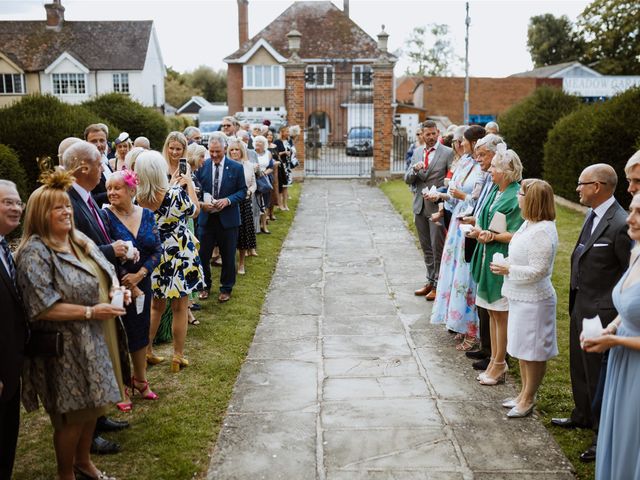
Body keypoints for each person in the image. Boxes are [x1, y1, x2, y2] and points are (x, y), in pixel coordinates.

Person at [15, 168, 128, 480]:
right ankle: (66, 473)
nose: (66, 211)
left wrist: (118, 291)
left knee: (95, 406)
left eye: (67, 205)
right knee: (71, 416)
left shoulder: (77, 239)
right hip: (62, 348)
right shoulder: (34, 252)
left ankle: (84, 462)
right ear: (40, 214)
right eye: (57, 208)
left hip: (94, 338)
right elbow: (42, 308)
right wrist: (92, 313)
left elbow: (106, 269)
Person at [551, 164, 631, 461]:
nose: (577, 189)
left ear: (597, 186)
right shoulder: (592, 215)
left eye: (581, 184)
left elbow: (628, 272)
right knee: (580, 365)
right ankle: (582, 414)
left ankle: (601, 433)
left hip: (603, 311)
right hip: (580, 304)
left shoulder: (620, 223)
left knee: (599, 374)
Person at [62, 141, 132, 454]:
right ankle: (87, 440)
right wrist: (110, 250)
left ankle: (100, 417)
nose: (104, 166)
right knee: (92, 361)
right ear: (85, 167)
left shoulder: (86, 198)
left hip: (104, 284)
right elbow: (72, 250)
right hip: (85, 294)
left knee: (106, 356)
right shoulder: (67, 201)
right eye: (100, 161)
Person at [583, 193, 640, 479]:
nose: (630, 218)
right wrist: (614, 327)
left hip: (636, 366)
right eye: (631, 210)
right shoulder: (637, 251)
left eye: (639, 212)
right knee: (617, 434)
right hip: (621, 359)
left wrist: (614, 341)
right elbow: (629, 301)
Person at [490, 179, 558, 417]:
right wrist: (507, 263)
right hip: (519, 296)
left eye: (520, 193)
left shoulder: (543, 230)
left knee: (533, 351)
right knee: (520, 348)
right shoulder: (528, 223)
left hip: (535, 300)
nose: (517, 196)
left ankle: (529, 398)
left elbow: (539, 270)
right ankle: (521, 394)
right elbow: (521, 258)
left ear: (532, 200)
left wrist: (508, 270)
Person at [135, 151, 205, 372]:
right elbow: (195, 211)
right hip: (180, 255)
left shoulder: (138, 198)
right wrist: (189, 184)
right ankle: (178, 356)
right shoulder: (175, 193)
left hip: (155, 255)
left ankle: (147, 351)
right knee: (180, 307)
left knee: (156, 306)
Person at [103, 170, 162, 411]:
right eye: (109, 189)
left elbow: (157, 250)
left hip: (142, 283)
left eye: (117, 188)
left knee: (140, 331)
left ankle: (140, 380)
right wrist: (125, 280)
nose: (111, 193)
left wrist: (141, 275)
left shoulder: (146, 214)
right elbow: (105, 253)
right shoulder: (106, 217)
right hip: (117, 286)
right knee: (118, 335)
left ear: (131, 190)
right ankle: (121, 386)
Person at [469, 145, 524, 385]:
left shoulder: (515, 194)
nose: (490, 170)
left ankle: (500, 363)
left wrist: (492, 236)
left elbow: (517, 233)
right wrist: (479, 230)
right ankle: (494, 359)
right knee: (491, 312)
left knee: (500, 313)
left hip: (502, 259)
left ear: (507, 171)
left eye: (494, 167)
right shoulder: (495, 190)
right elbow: (486, 221)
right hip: (487, 256)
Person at [429, 125, 485, 349]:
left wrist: (462, 196)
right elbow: (455, 192)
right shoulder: (464, 162)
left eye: (462, 141)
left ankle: (472, 329)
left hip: (469, 223)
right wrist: (442, 196)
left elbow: (478, 200)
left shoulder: (482, 168)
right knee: (455, 275)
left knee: (466, 277)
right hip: (457, 224)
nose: (459, 145)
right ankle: (459, 324)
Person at [460, 134, 505, 371]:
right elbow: (484, 207)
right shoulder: (488, 179)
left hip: (493, 247)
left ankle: (495, 353)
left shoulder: (502, 185)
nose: (479, 159)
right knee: (482, 297)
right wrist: (475, 219)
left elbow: (504, 222)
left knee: (493, 302)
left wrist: (484, 229)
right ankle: (486, 346)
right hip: (481, 239)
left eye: (483, 155)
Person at [404, 120, 454, 301]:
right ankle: (429, 280)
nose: (431, 137)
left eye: (434, 134)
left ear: (438, 133)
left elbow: (451, 181)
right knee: (426, 248)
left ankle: (438, 285)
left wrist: (440, 197)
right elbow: (407, 179)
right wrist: (415, 170)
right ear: (422, 135)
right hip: (419, 206)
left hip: (436, 208)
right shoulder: (417, 152)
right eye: (427, 134)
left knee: (437, 247)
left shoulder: (448, 153)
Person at [195, 132, 247, 302]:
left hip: (228, 219)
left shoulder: (236, 167)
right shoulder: (202, 166)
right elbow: (196, 190)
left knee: (228, 254)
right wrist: (203, 203)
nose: (215, 155)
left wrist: (228, 200)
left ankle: (226, 288)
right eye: (212, 152)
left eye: (218, 151)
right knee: (203, 255)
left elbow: (243, 191)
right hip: (206, 218)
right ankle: (204, 286)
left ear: (225, 148)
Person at [0, 180, 27, 480]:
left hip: (11, 365)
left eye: (18, 202)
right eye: (7, 202)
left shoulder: (5, 246)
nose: (16, 207)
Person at [227, 138, 257, 275]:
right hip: (230, 202)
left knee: (243, 234)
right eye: (231, 149)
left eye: (236, 149)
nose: (234, 152)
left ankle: (241, 263)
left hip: (244, 202)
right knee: (230, 235)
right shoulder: (226, 165)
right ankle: (229, 262)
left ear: (242, 151)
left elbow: (253, 183)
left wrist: (250, 191)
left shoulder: (248, 165)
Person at [84, 124, 112, 206]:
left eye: (102, 140)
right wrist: (116, 193)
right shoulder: (84, 166)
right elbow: (87, 198)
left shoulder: (106, 161)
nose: (99, 145)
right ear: (86, 143)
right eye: (94, 141)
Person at [254, 135, 275, 234]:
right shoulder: (252, 153)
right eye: (256, 141)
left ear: (264, 144)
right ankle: (256, 226)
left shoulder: (268, 153)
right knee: (256, 203)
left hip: (265, 180)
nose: (258, 143)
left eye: (260, 142)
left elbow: (271, 167)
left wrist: (264, 173)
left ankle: (264, 226)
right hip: (254, 180)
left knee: (265, 203)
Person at [274, 125, 292, 211]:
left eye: (289, 131)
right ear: (282, 132)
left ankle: (285, 204)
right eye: (287, 131)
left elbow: (291, 151)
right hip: (281, 166)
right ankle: (280, 204)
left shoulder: (289, 141)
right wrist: (284, 152)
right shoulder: (277, 141)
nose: (288, 133)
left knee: (286, 186)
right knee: (280, 186)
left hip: (287, 166)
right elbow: (276, 154)